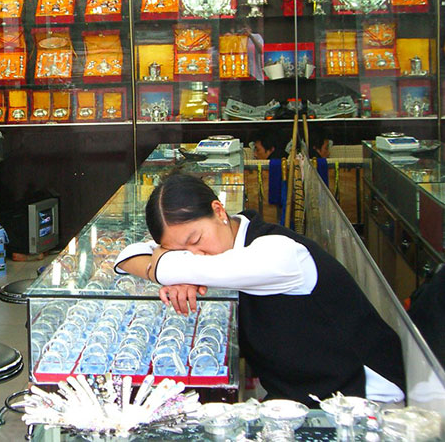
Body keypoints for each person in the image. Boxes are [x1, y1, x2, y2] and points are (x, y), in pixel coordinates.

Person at [115, 173, 406, 406]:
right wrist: (168, 267)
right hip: (303, 392)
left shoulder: (278, 252)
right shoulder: (232, 244)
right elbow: (126, 255)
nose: (196, 255)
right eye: (180, 251)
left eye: (196, 239)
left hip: (363, 397)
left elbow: (166, 266)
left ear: (218, 210)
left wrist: (168, 267)